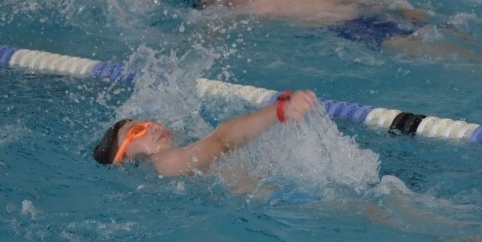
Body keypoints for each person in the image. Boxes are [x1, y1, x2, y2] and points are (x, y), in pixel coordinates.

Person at [191, 0, 482, 62]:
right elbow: (207, 38)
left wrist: (392, 4)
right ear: (213, 0)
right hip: (350, 27)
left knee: (439, 28)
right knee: (424, 46)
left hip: (366, 12)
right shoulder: (233, 13)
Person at [93, 89, 318, 177]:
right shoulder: (163, 163)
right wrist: (280, 111)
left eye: (148, 122)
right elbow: (220, 142)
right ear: (121, 160)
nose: (152, 126)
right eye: (137, 130)